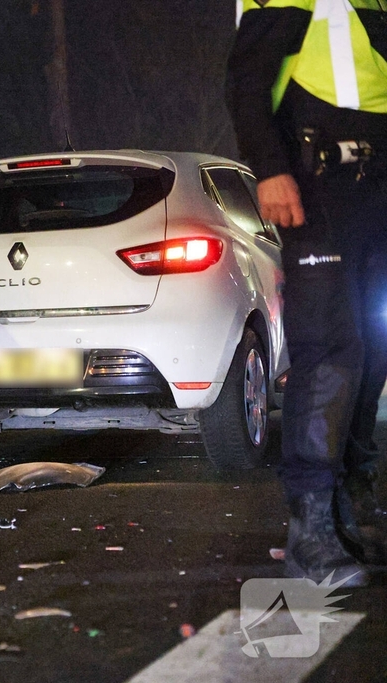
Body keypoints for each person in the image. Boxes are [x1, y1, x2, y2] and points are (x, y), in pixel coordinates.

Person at [227, 0, 387, 586]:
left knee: (373, 347)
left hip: (376, 188)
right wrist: (269, 167)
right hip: (318, 187)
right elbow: (247, 77)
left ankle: (352, 509)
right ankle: (310, 531)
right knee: (330, 352)